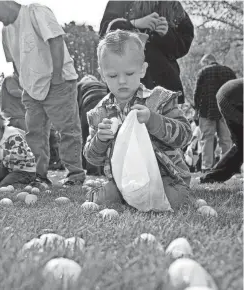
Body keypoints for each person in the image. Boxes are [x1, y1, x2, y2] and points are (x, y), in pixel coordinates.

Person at [84, 29, 192, 210]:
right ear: (102, 74)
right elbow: (91, 157)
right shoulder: (99, 113)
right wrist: (100, 139)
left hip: (165, 176)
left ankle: (135, 200)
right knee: (105, 199)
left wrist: (153, 120)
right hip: (123, 180)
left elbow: (185, 135)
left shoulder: (160, 99)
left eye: (129, 73)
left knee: (174, 201)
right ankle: (110, 194)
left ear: (142, 70)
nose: (122, 81)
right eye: (113, 75)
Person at [0, 1, 85, 187]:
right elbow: (15, 61)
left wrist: (56, 77)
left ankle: (75, 175)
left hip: (57, 81)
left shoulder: (35, 12)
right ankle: (38, 175)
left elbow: (55, 40)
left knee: (67, 129)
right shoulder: (6, 31)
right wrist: (23, 83)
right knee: (34, 133)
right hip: (30, 88)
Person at [99, 1, 194, 104]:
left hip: (166, 87)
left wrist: (167, 34)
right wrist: (133, 24)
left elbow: (184, 42)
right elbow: (105, 32)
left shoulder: (173, 4)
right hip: (126, 87)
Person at [1, 71, 65, 171]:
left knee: (38, 139)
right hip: (14, 117)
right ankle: (27, 167)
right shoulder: (11, 78)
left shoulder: (24, 80)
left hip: (22, 115)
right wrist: (33, 94)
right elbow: (13, 91)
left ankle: (45, 165)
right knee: (27, 142)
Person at [193, 54, 236, 173]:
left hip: (207, 110)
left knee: (207, 139)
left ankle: (207, 168)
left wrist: (196, 110)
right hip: (225, 111)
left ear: (207, 61)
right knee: (226, 140)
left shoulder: (203, 72)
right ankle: (226, 168)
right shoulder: (229, 72)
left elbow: (197, 93)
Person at [200, 78, 243, 183]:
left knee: (241, 144)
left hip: (227, 95)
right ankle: (212, 176)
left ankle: (211, 177)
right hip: (230, 99)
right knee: (241, 145)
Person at [77, 75, 108, 176]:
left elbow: (76, 106)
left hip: (88, 106)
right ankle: (105, 170)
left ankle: (92, 170)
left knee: (88, 137)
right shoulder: (101, 84)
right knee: (105, 137)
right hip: (105, 106)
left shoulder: (79, 85)